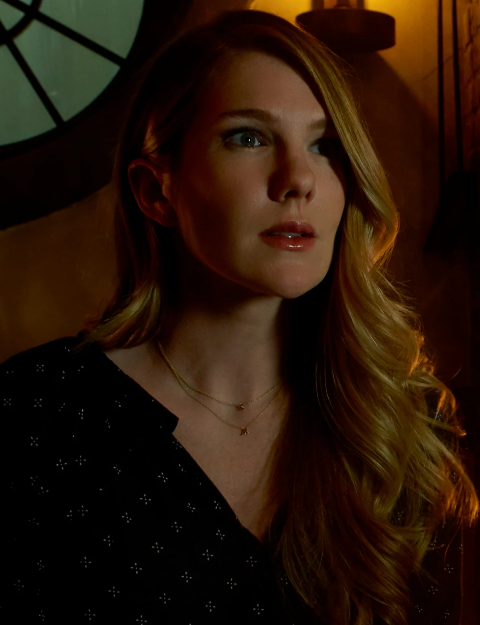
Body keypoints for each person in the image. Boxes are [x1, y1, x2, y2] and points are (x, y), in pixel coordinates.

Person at [1, 9, 478, 625]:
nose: (298, 180)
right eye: (247, 137)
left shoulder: (403, 424)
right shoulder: (36, 415)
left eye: (325, 146)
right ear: (156, 191)